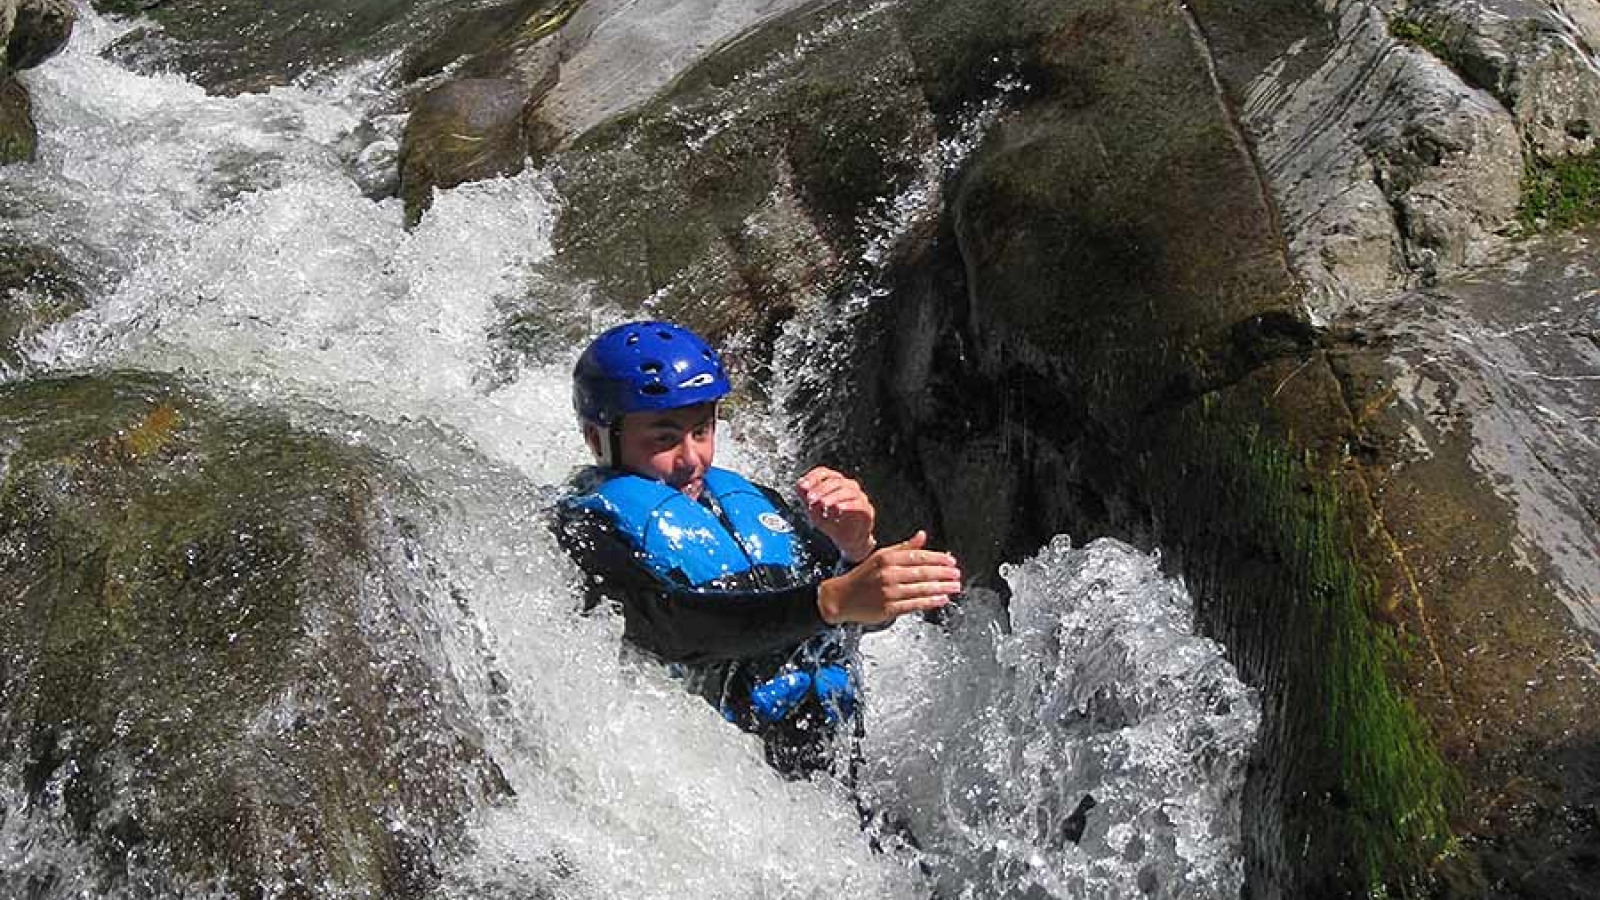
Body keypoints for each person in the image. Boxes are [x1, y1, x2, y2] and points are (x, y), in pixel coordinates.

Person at [553, 320, 961, 777]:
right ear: (597, 439)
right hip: (719, 788)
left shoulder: (753, 501)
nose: (693, 459)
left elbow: (852, 618)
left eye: (702, 431)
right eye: (664, 439)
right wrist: (831, 599)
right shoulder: (585, 527)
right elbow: (669, 627)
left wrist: (855, 550)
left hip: (830, 779)